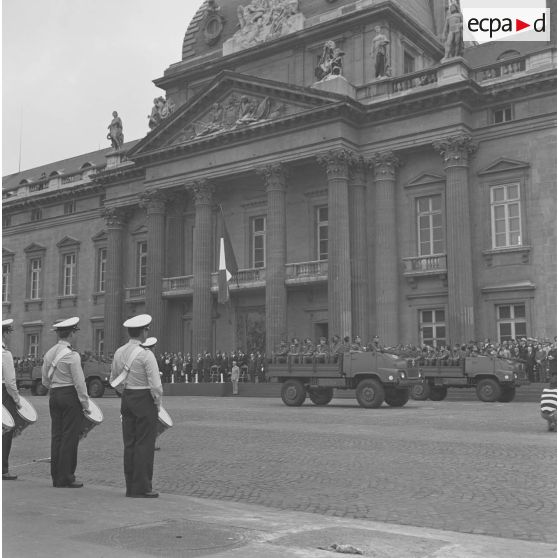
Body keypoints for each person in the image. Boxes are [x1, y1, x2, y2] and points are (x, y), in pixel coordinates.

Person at [111, 314, 163, 498]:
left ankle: (130, 486)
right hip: (144, 398)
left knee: (130, 443)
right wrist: (157, 403)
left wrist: (124, 393)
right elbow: (156, 386)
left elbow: (114, 380)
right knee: (144, 444)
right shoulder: (146, 354)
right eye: (147, 329)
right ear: (142, 332)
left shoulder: (119, 352)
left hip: (127, 398)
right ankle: (142, 487)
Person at [41, 317, 91, 488]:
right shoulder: (72, 355)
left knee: (57, 436)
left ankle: (56, 476)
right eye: (75, 333)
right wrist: (85, 404)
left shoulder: (49, 353)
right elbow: (79, 382)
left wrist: (54, 388)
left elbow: (44, 380)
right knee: (70, 437)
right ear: (71, 334)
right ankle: (66, 477)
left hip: (54, 394)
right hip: (70, 395)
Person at [2, 319, 22, 480]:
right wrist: (17, 400)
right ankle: (3, 469)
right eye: (9, 333)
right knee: (6, 430)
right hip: (4, 395)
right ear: (5, 333)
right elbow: (10, 382)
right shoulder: (5, 353)